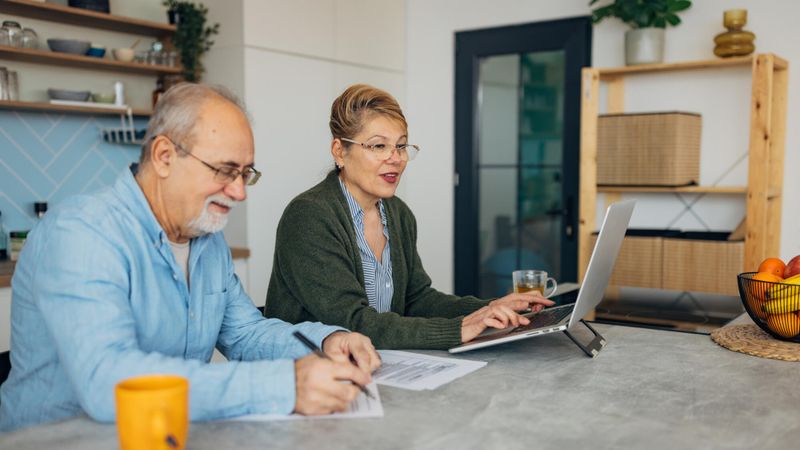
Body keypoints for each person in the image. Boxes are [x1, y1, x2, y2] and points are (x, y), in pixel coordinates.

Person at [0, 83, 381, 432]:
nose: (239, 192)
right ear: (164, 155)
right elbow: (108, 381)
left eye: (246, 174)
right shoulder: (81, 233)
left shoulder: (205, 238)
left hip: (165, 435)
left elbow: (246, 333)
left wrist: (328, 339)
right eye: (224, 171)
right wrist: (285, 385)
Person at [265, 84, 554, 349]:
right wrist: (458, 329)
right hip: (310, 374)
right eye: (379, 146)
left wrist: (491, 309)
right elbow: (352, 322)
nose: (396, 158)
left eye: (401, 145)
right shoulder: (309, 217)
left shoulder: (398, 214)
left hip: (376, 362)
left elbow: (417, 299)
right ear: (340, 151)